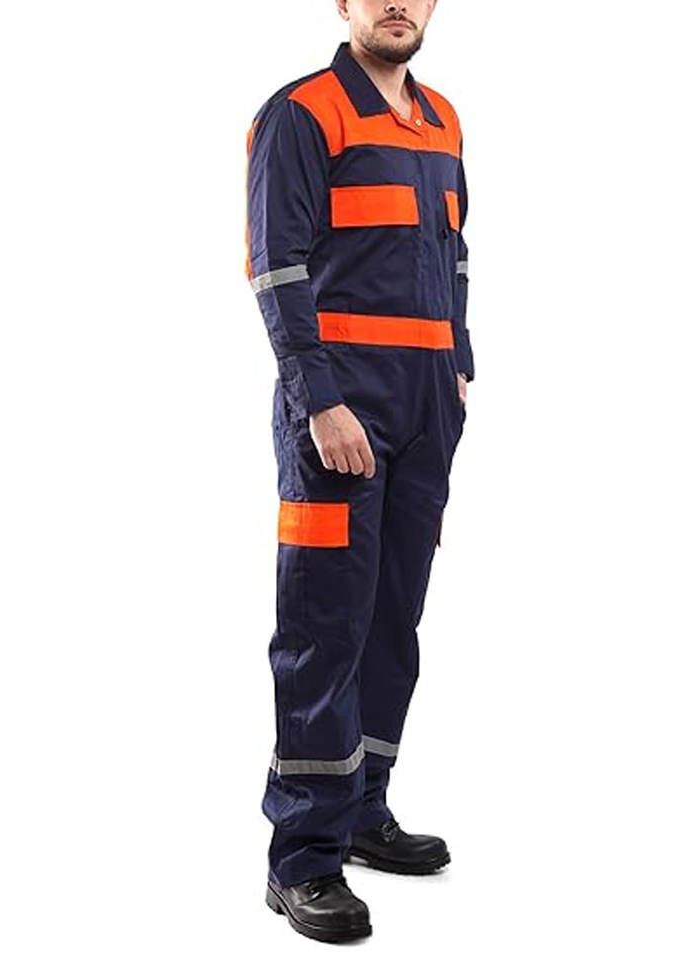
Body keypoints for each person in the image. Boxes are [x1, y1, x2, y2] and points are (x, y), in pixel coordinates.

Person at [244, 0, 474, 943]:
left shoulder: (443, 119)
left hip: (426, 407)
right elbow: (276, 266)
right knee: (323, 625)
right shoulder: (303, 112)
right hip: (341, 404)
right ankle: (302, 856)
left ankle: (364, 810)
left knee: (392, 619)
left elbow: (454, 255)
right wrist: (320, 399)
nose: (397, 4)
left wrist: (460, 367)